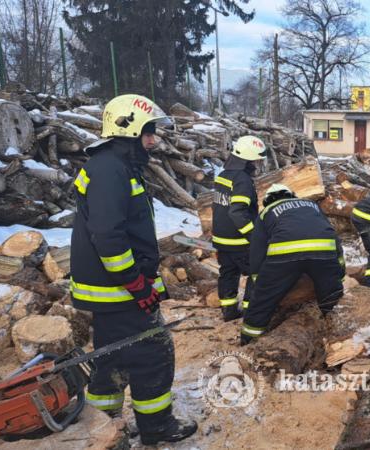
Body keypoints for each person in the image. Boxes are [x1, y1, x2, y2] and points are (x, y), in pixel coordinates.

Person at [70, 94, 196, 445]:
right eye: (149, 131)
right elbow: (109, 237)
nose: (153, 140)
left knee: (111, 357)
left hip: (111, 289)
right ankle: (157, 428)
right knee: (153, 353)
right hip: (118, 290)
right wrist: (137, 284)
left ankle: (103, 424)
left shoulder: (113, 165)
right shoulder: (111, 169)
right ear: (128, 129)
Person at [240, 184, 345, 344]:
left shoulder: (266, 213)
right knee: (331, 295)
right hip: (323, 249)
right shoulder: (312, 205)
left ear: (268, 200)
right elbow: (330, 233)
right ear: (291, 194)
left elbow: (258, 249)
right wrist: (339, 270)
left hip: (284, 254)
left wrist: (258, 279)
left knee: (263, 301)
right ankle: (338, 335)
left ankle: (248, 340)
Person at [212, 135, 266, 321]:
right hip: (239, 240)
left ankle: (229, 310)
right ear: (249, 160)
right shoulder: (242, 180)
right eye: (257, 160)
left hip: (221, 239)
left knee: (228, 273)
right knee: (256, 272)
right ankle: (250, 310)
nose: (258, 164)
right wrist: (254, 235)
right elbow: (237, 212)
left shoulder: (223, 175)